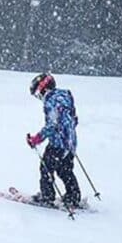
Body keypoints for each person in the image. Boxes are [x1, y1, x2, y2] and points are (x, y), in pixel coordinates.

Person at [26, 73, 82, 208]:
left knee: (46, 168)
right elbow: (74, 119)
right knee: (65, 170)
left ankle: (47, 196)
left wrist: (37, 139)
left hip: (57, 144)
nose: (39, 97)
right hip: (70, 143)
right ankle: (73, 196)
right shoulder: (66, 97)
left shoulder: (51, 101)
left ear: (44, 89)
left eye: (38, 94)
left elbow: (52, 125)